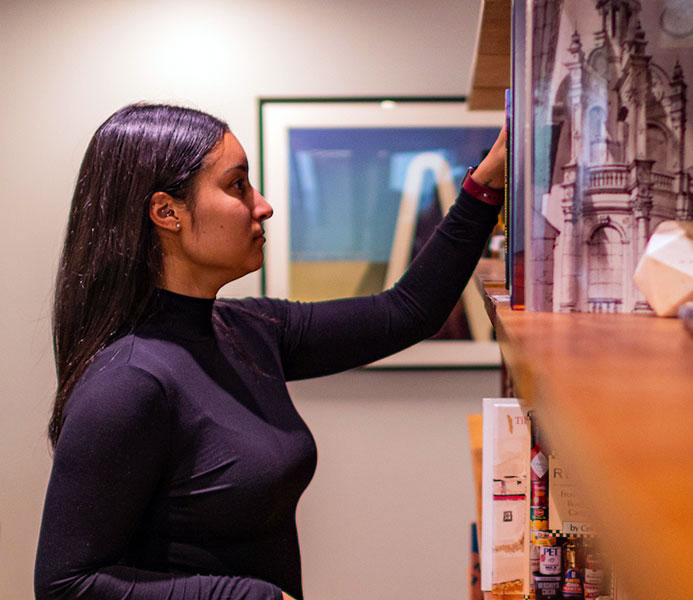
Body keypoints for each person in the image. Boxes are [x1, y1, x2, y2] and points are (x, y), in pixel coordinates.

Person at [34, 103, 507, 600]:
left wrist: (486, 184)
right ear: (166, 212)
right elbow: (66, 585)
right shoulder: (127, 381)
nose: (263, 205)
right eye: (237, 185)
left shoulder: (248, 329)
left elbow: (406, 312)